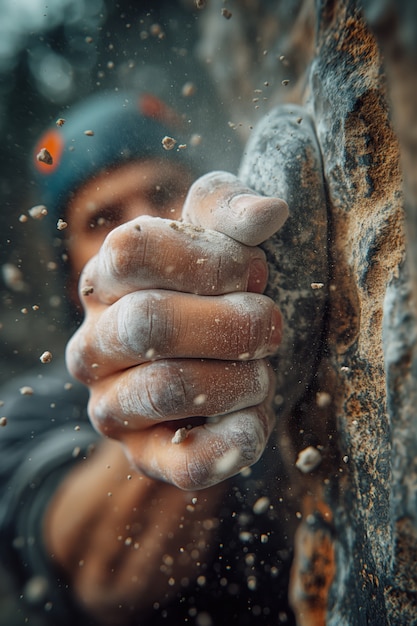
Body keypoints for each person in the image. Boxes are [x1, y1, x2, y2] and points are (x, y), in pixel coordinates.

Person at [0, 90, 294, 626]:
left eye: (162, 193)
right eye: (102, 218)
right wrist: (186, 399)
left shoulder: (286, 338)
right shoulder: (23, 413)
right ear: (73, 280)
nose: (140, 229)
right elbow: (102, 577)